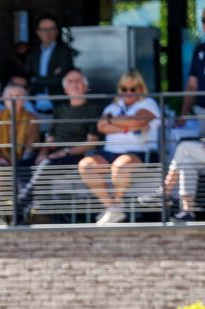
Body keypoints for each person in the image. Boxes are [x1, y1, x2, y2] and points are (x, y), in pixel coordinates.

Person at [16, 68, 101, 218]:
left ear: (85, 86)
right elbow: (50, 138)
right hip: (53, 155)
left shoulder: (94, 109)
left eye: (78, 81)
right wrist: (42, 153)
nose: (74, 84)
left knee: (46, 164)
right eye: (70, 81)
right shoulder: (60, 109)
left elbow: (92, 143)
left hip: (75, 156)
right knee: (21, 166)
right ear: (65, 88)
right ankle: (34, 210)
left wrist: (64, 152)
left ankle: (20, 205)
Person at [77, 70, 159, 225]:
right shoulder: (112, 106)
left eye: (133, 89)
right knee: (86, 165)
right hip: (109, 152)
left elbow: (137, 120)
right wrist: (129, 126)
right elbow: (101, 126)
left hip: (139, 152)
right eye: (124, 88)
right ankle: (113, 208)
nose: (128, 92)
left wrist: (111, 121)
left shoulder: (149, 103)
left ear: (141, 89)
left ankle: (114, 206)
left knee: (119, 166)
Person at [0, 84, 40, 225]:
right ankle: (6, 217)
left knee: (23, 172)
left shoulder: (32, 118)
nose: (14, 100)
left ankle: (27, 216)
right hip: (2, 162)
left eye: (18, 96)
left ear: (24, 100)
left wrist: (18, 163)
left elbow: (31, 147)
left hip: (24, 162)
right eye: (10, 97)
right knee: (2, 173)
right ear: (4, 99)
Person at [24, 14, 75, 116]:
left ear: (57, 31)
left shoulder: (65, 52)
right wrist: (50, 77)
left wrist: (36, 79)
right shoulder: (32, 53)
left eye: (51, 29)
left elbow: (60, 80)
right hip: (34, 106)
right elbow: (27, 77)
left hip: (59, 106)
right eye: (44, 29)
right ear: (38, 32)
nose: (47, 33)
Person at [178, 9, 205, 135]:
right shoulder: (199, 50)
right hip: (202, 111)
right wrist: (183, 115)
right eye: (204, 21)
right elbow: (192, 84)